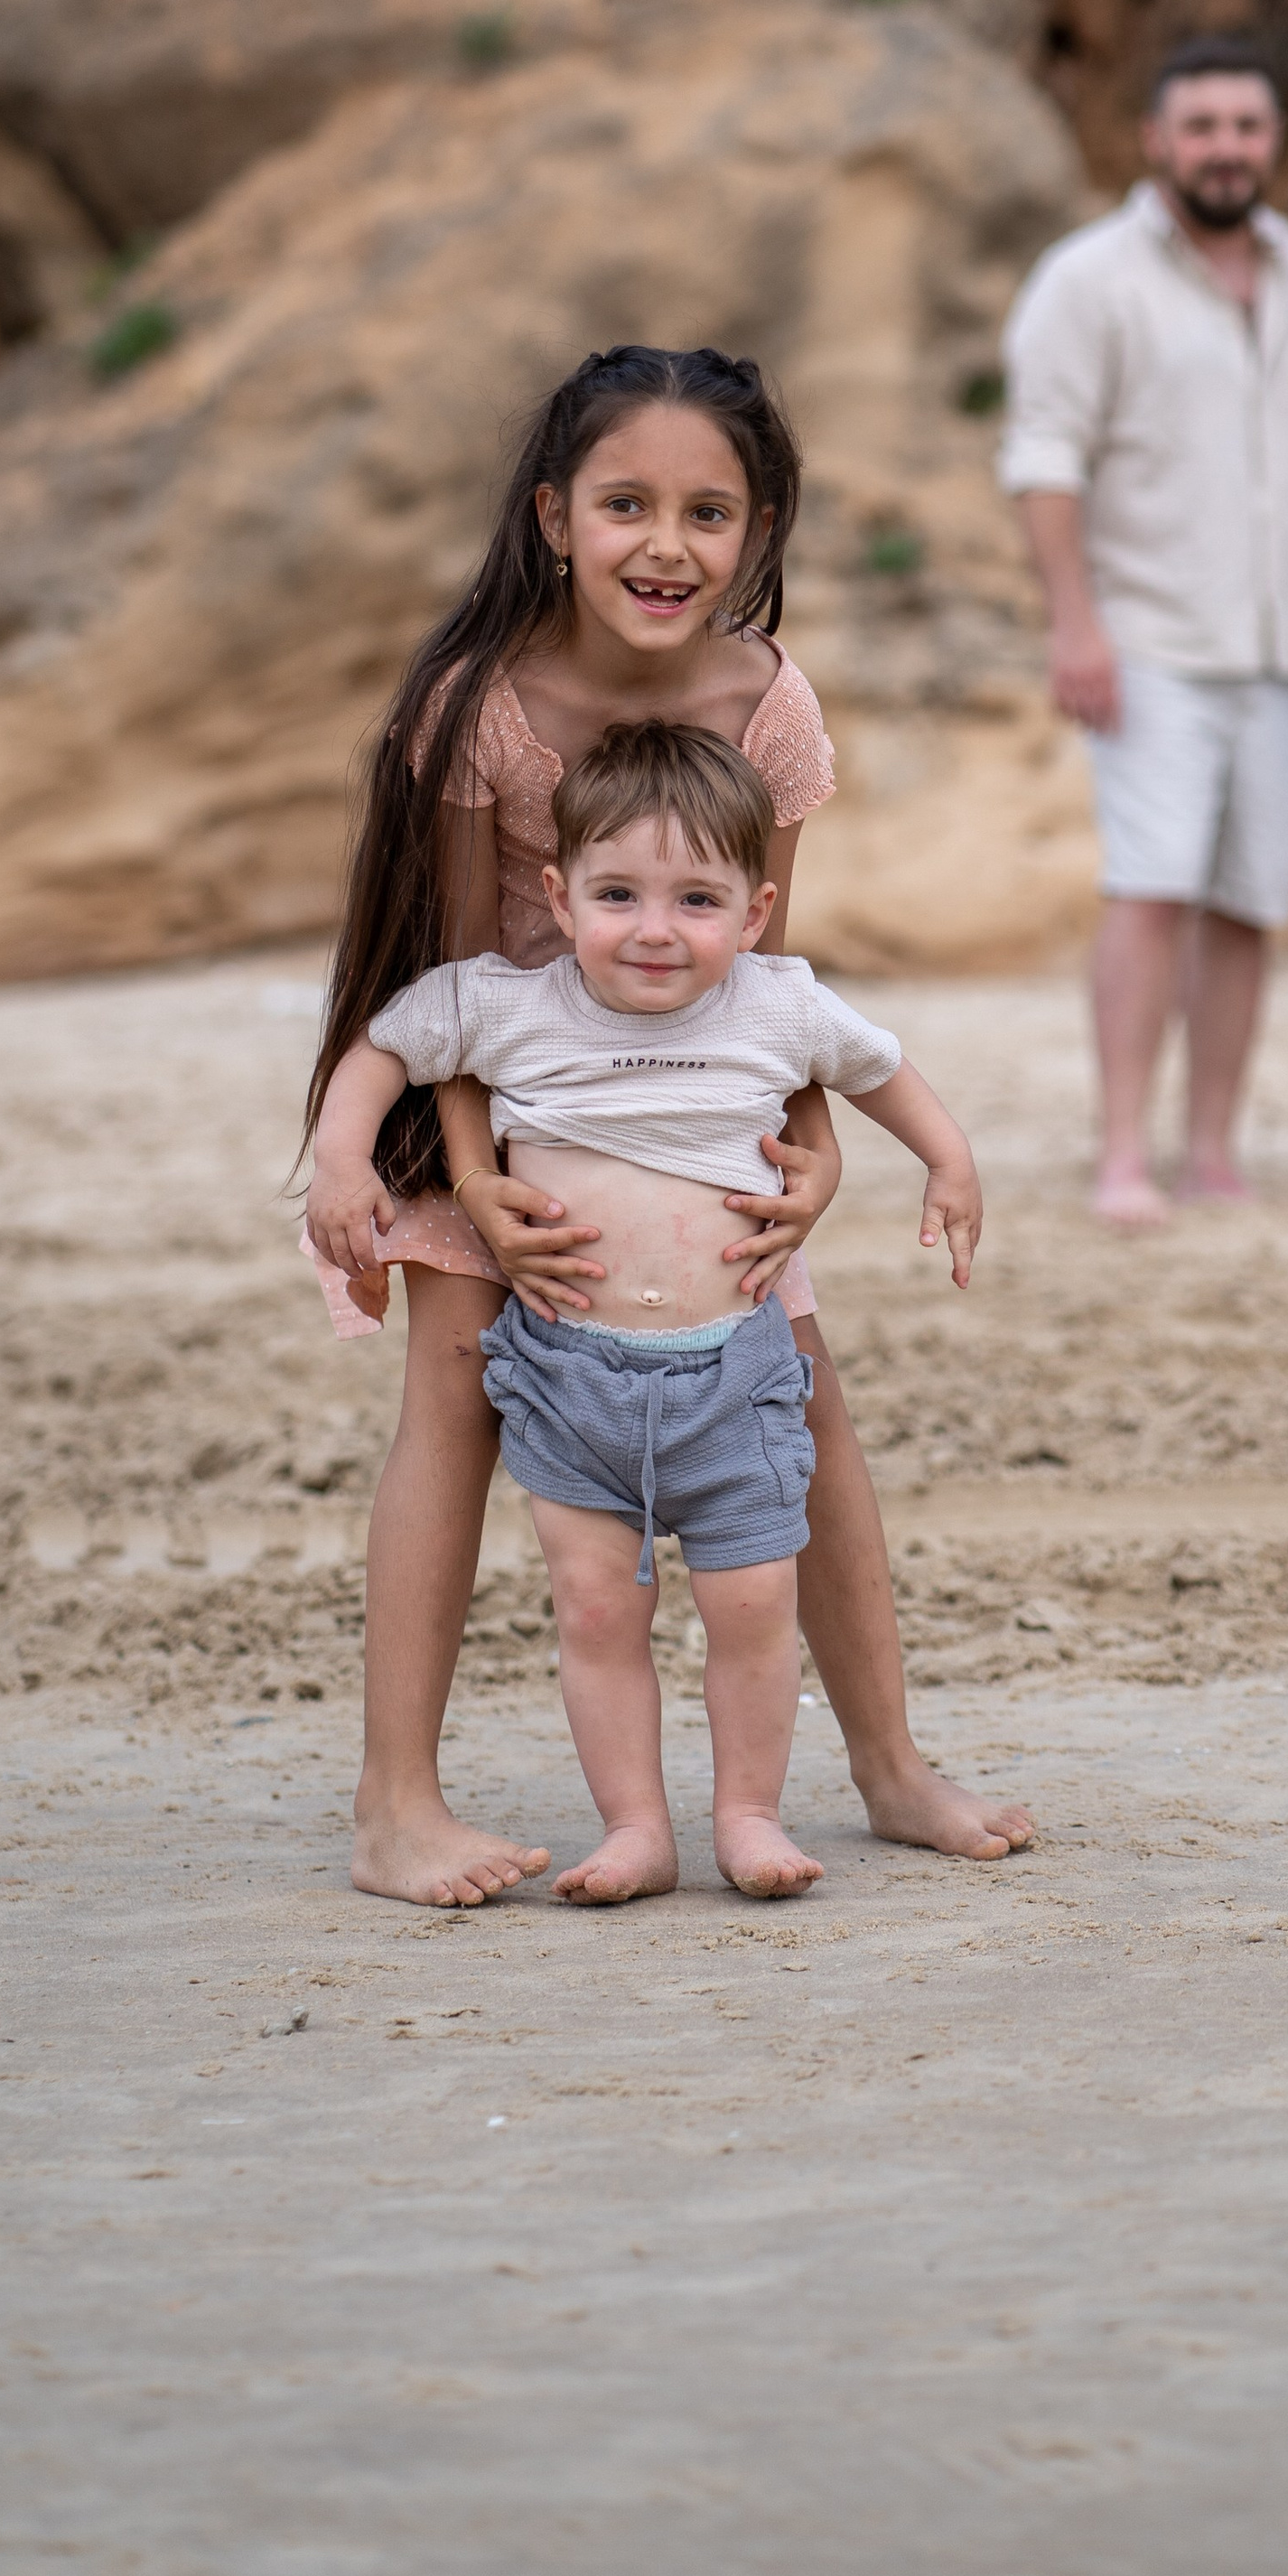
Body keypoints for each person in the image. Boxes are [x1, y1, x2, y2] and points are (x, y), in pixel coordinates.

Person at [301, 343, 1032, 1907]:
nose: (665, 545)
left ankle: (889, 1767)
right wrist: (481, 1190)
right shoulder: (478, 702)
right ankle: (393, 1802)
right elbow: (440, 980)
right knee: (451, 1394)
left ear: (760, 533)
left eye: (709, 513)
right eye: (627, 504)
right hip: (487, 1101)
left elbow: (774, 979)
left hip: (707, 1126)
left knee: (807, 1398)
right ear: (555, 515)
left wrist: (820, 1152)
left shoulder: (762, 703)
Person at [322, 723, 984, 1907]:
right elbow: (384, 1049)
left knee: (751, 1604)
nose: (656, 928)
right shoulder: (508, 1003)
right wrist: (340, 1158)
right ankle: (635, 1827)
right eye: (617, 894)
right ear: (556, 894)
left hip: (735, 1371)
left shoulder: (779, 1003)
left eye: (697, 899)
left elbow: (880, 1069)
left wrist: (949, 1159)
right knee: (593, 1610)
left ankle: (748, 1815)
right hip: (569, 1373)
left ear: (756, 907)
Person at [1000, 40, 1288, 1225]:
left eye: (1248, 127)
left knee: (1251, 904)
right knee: (1151, 888)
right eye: (1202, 126)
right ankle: (1123, 1153)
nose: (1227, 148)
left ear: (1275, 141)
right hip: (1149, 636)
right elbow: (1044, 461)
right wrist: (1077, 624)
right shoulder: (1087, 278)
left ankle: (1213, 1148)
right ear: (1157, 139)